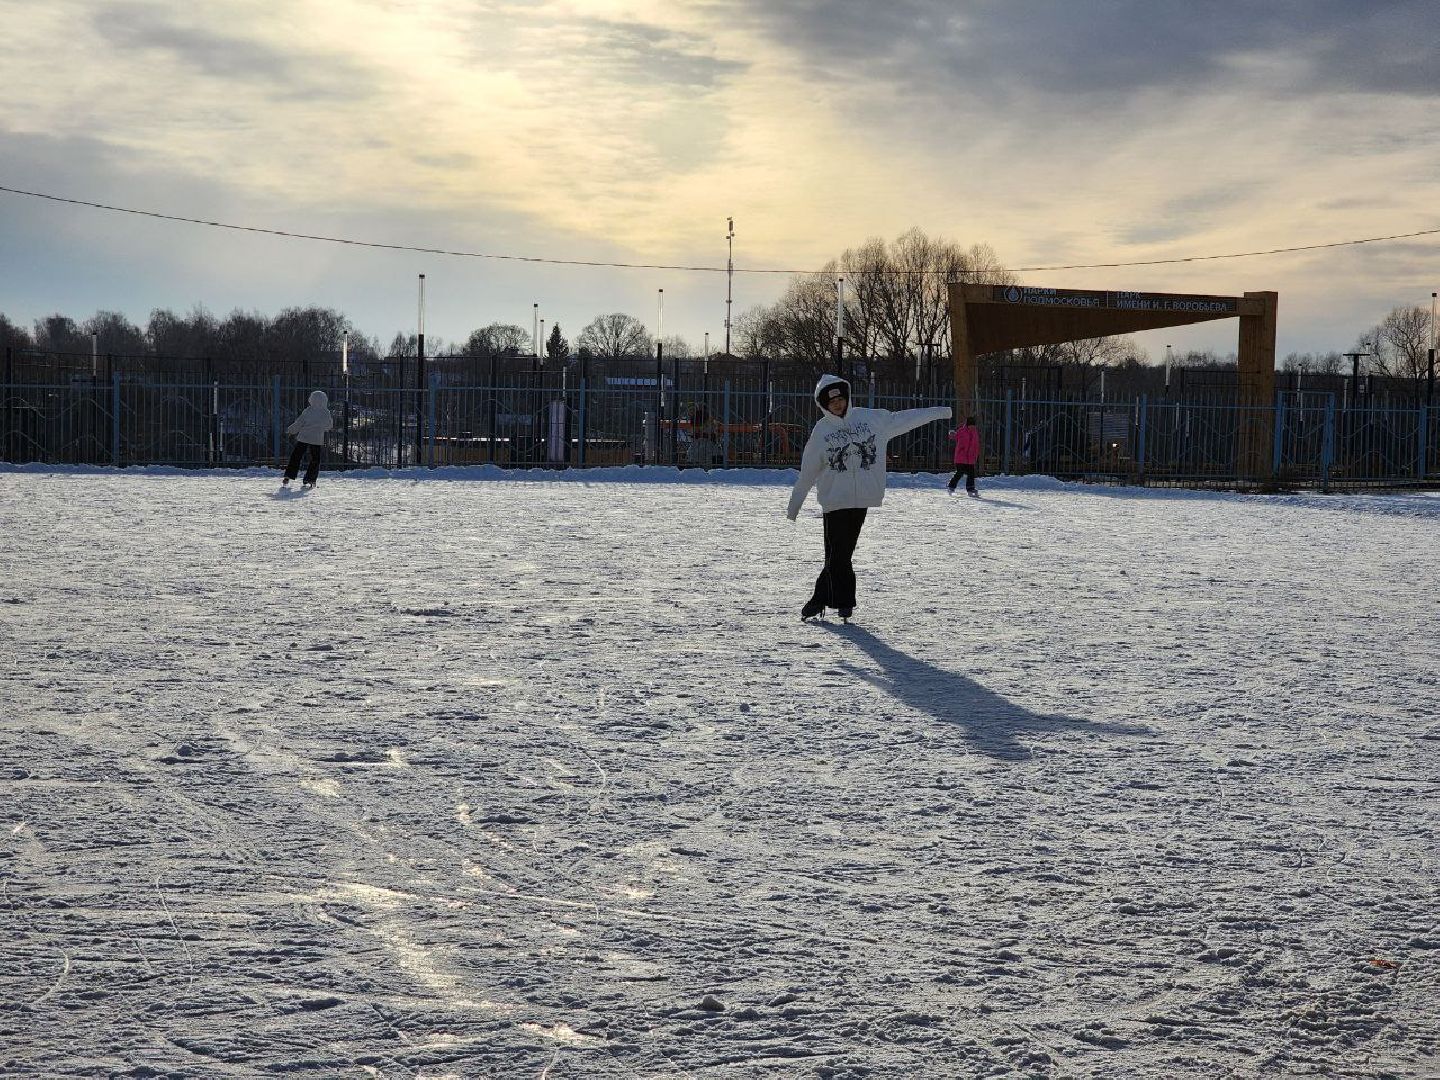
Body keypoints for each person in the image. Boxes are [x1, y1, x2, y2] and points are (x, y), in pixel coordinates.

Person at [787, 374, 951, 621]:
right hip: (834, 502)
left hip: (861, 499)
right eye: (832, 402)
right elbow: (808, 472)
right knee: (837, 555)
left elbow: (905, 419)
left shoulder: (870, 419)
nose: (838, 405)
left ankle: (830, 601)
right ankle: (835, 602)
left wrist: (940, 412)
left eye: (841, 399)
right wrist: (794, 505)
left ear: (847, 397)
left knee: (840, 554)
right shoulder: (821, 432)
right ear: (823, 405)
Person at [282, 390, 333, 489]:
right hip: (317, 439)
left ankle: (289, 475)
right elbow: (328, 426)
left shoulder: (308, 410)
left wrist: (290, 430)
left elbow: (299, 423)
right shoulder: (326, 412)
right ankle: (310, 478)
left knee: (296, 456)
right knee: (315, 459)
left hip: (304, 437)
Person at [947, 415, 981, 496]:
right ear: (967, 424)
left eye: (973, 425)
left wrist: (976, 455)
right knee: (960, 472)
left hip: (970, 457)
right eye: (970, 425)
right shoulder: (961, 431)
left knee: (971, 474)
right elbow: (954, 436)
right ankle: (951, 486)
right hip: (960, 457)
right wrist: (951, 434)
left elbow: (976, 445)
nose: (972, 427)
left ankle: (970, 488)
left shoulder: (975, 433)